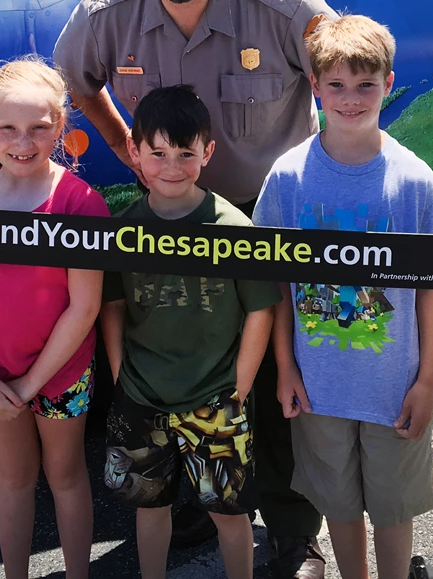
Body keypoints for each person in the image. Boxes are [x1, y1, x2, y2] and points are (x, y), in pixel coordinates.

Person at [55, 0, 332, 578]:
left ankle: (296, 535)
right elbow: (76, 83)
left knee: (271, 381)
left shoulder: (282, 3)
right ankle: (186, 505)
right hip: (169, 221)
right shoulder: (105, 13)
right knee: (171, 362)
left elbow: (344, 79)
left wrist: (325, 181)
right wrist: (128, 151)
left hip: (265, 225)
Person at [254, 15, 433, 579]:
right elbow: (275, 285)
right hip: (319, 387)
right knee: (338, 507)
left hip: (392, 387)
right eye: (336, 85)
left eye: (365, 85)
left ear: (389, 84)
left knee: (392, 509)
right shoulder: (289, 178)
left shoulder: (414, 183)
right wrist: (285, 368)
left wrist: (427, 381)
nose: (350, 99)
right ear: (314, 86)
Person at [100, 85, 280, 579]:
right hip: (142, 395)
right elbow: (112, 305)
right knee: (149, 506)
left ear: (208, 152)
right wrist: (119, 371)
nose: (172, 166)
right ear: (134, 152)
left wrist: (240, 386)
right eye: (157, 153)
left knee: (229, 512)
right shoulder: (125, 230)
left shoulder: (233, 227)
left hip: (216, 397)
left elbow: (260, 311)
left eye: (185, 153)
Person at [0, 56, 109, 579]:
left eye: (39, 128)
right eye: (8, 129)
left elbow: (84, 307)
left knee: (65, 475)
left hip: (60, 375)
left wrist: (32, 383)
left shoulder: (80, 205)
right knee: (12, 476)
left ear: (59, 126)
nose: (23, 141)